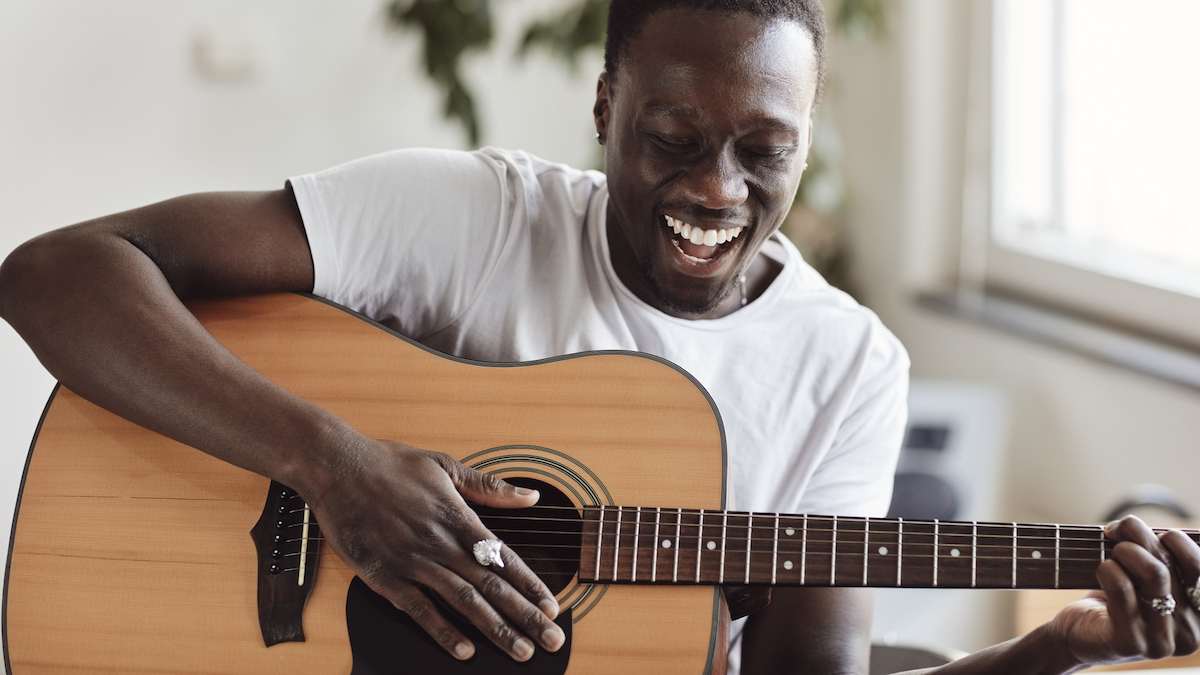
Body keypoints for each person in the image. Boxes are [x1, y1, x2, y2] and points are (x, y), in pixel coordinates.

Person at [1, 1, 1197, 673]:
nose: (718, 189)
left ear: (809, 137)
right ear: (604, 106)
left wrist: (1068, 645)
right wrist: (332, 466)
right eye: (673, 133)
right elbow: (53, 275)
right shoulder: (467, 214)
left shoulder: (845, 369)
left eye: (766, 149)